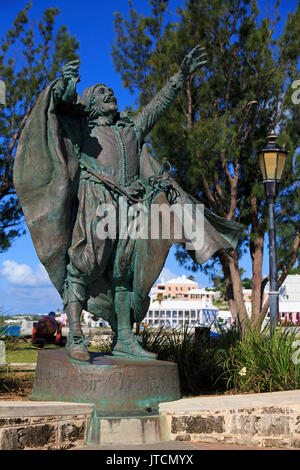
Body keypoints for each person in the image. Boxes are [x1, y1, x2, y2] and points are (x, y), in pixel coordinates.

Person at [14, 46, 243, 362]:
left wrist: (180, 76)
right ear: (90, 104)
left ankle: (124, 339)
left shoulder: (131, 129)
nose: (109, 94)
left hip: (130, 206)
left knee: (124, 273)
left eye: (111, 92)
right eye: (102, 93)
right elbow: (61, 104)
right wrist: (66, 84)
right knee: (84, 264)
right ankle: (76, 336)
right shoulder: (84, 128)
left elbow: (157, 106)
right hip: (95, 198)